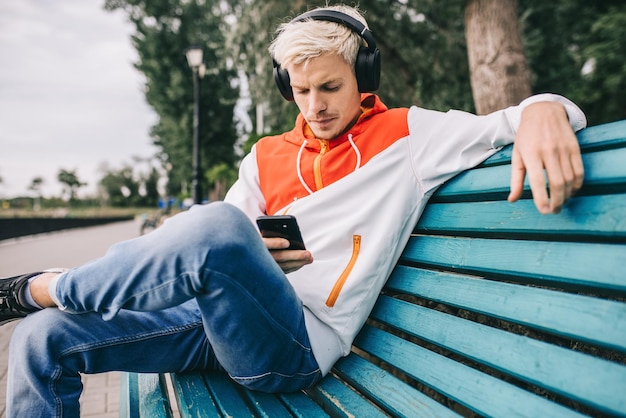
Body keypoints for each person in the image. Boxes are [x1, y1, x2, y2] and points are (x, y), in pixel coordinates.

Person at [0, 5, 586, 417]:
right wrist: (254, 257)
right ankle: (45, 301)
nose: (314, 107)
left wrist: (542, 108)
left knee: (219, 226)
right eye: (301, 92)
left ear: (362, 77)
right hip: (219, 324)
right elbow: (207, 249)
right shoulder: (265, 156)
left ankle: (49, 285)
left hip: (293, 349)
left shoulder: (410, 135)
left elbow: (524, 117)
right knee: (39, 339)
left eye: (329, 88)